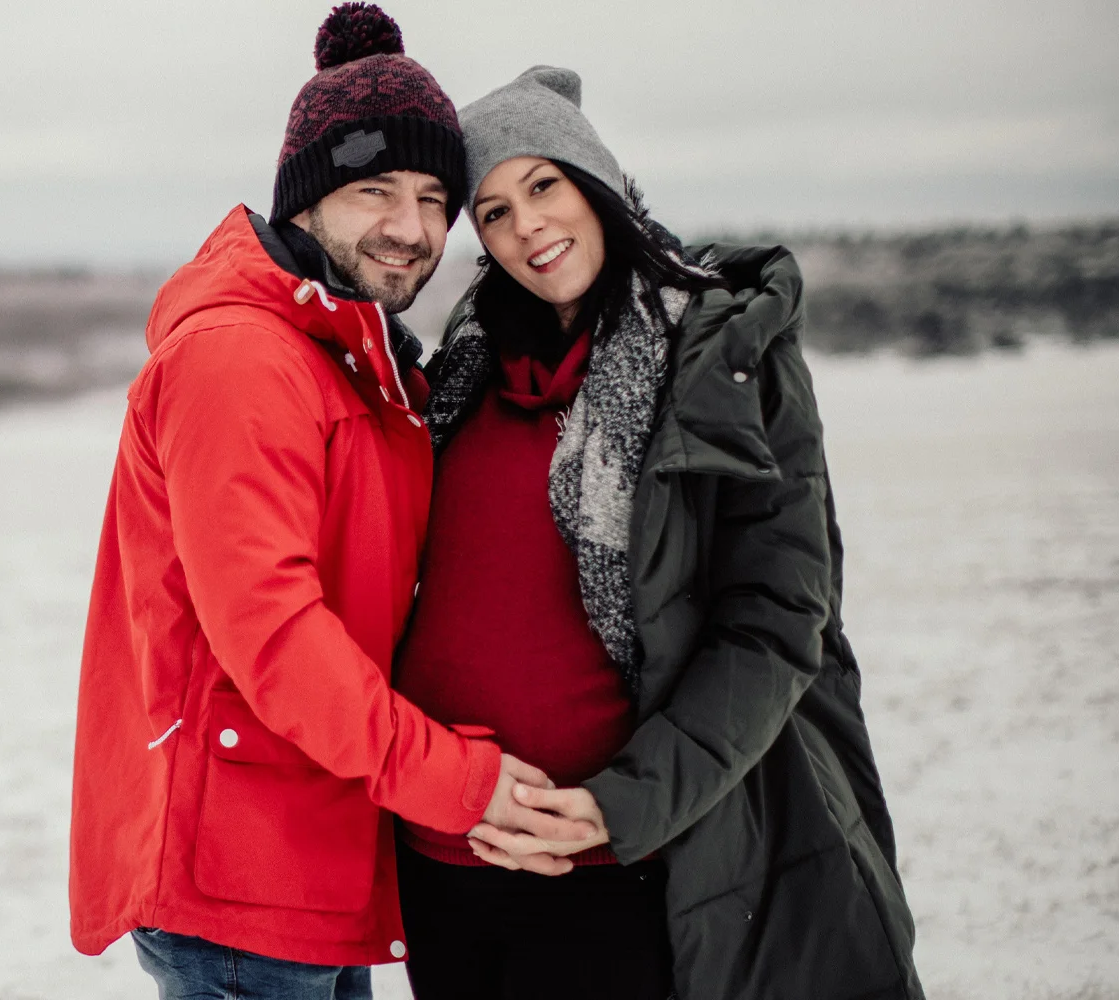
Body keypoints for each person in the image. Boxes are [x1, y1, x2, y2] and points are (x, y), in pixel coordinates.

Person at [68, 8, 595, 999]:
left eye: (435, 196)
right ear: (305, 201)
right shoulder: (242, 358)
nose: (410, 228)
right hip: (237, 875)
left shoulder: (354, 358)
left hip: (304, 853)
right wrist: (454, 780)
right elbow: (270, 633)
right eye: (372, 191)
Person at [392, 66, 926, 999]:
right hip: (449, 859)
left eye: (543, 185)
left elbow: (777, 619)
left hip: (616, 860)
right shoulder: (466, 366)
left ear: (596, 179)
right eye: (495, 211)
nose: (528, 228)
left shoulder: (719, 357)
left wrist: (618, 806)